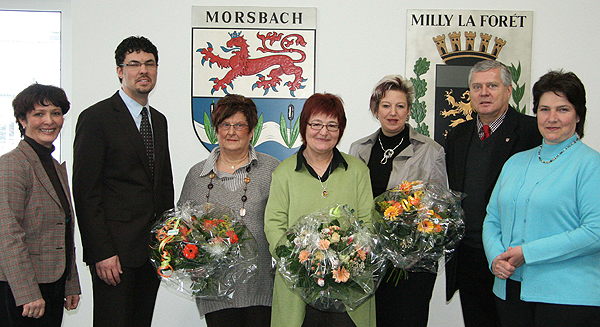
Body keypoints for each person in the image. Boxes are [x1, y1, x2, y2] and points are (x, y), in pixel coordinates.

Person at [482, 70, 600, 326]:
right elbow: (492, 218)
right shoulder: (516, 162)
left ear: (578, 115)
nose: (552, 118)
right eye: (544, 109)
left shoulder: (591, 164)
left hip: (568, 298)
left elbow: (595, 232)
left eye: (563, 109)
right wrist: (495, 258)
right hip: (509, 291)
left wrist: (528, 253)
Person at [73, 36, 174, 327]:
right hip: (113, 255)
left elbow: (162, 186)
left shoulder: (159, 120)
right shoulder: (96, 118)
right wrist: (101, 252)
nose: (143, 71)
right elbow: (85, 192)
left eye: (149, 64)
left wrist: (166, 245)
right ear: (120, 71)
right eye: (134, 64)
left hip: (151, 254)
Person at [444, 59, 542, 326]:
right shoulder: (457, 135)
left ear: (508, 91)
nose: (483, 93)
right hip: (469, 256)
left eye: (491, 85)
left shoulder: (532, 132)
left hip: (512, 258)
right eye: (477, 87)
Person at [265, 93, 376, 327]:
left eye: (332, 125)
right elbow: (274, 224)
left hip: (349, 287)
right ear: (304, 126)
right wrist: (299, 264)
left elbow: (367, 221)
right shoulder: (284, 173)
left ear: (341, 130)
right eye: (316, 124)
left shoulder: (357, 170)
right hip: (298, 287)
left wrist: (350, 258)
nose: (323, 132)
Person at [349, 74, 447, 326]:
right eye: (386, 105)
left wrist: (410, 242)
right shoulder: (359, 149)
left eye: (400, 106)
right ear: (375, 110)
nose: (393, 112)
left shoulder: (431, 151)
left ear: (409, 110)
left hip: (413, 264)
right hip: (370, 258)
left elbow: (439, 209)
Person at [179, 94, 279, 326]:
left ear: (252, 130)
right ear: (216, 130)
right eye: (225, 125)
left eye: (239, 125)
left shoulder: (272, 169)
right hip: (215, 292)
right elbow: (182, 229)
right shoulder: (197, 175)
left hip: (261, 292)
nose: (231, 132)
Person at [0, 84, 80, 326]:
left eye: (56, 113)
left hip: (53, 285)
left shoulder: (55, 167)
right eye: (38, 114)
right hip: (21, 290)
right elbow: (7, 234)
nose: (49, 121)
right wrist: (28, 293)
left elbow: (63, 229)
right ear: (22, 120)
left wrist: (70, 283)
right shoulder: (12, 164)